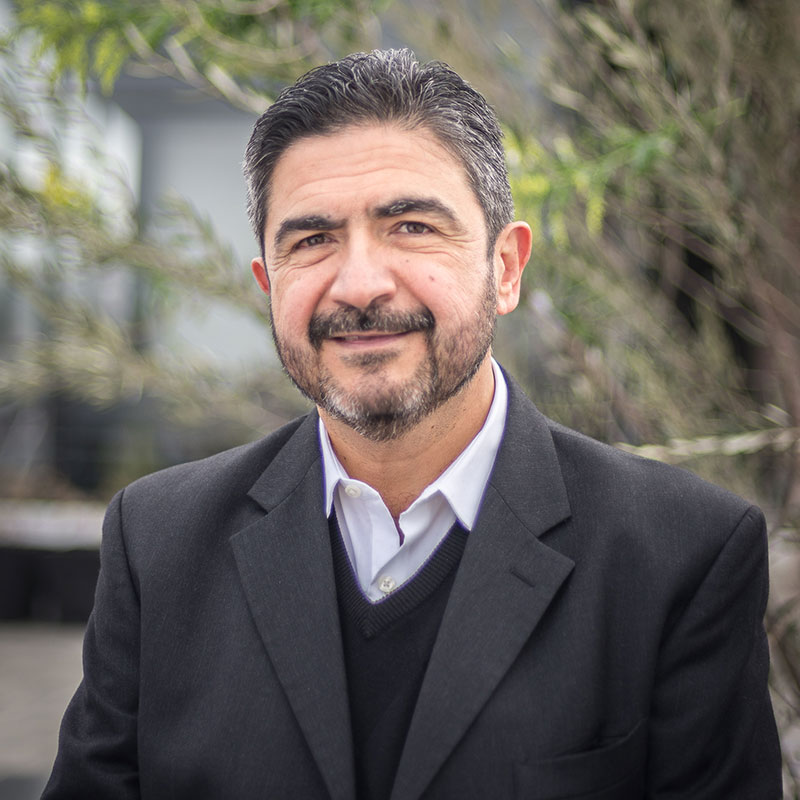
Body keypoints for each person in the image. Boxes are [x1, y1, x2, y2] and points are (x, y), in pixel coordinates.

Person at [44, 49, 781, 799]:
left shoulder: (679, 556)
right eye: (312, 240)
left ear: (505, 268)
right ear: (268, 284)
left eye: (412, 226)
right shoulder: (161, 544)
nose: (360, 284)